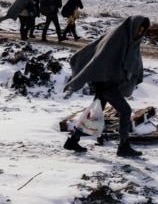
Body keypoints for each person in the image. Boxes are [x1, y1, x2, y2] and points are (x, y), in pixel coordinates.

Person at [62, 15, 151, 157]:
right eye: (138, 29)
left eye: (142, 30)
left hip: (106, 81)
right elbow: (102, 56)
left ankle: (73, 140)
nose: (139, 32)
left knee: (94, 112)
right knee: (126, 111)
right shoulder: (118, 37)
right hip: (105, 82)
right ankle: (123, 146)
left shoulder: (127, 36)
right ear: (133, 25)